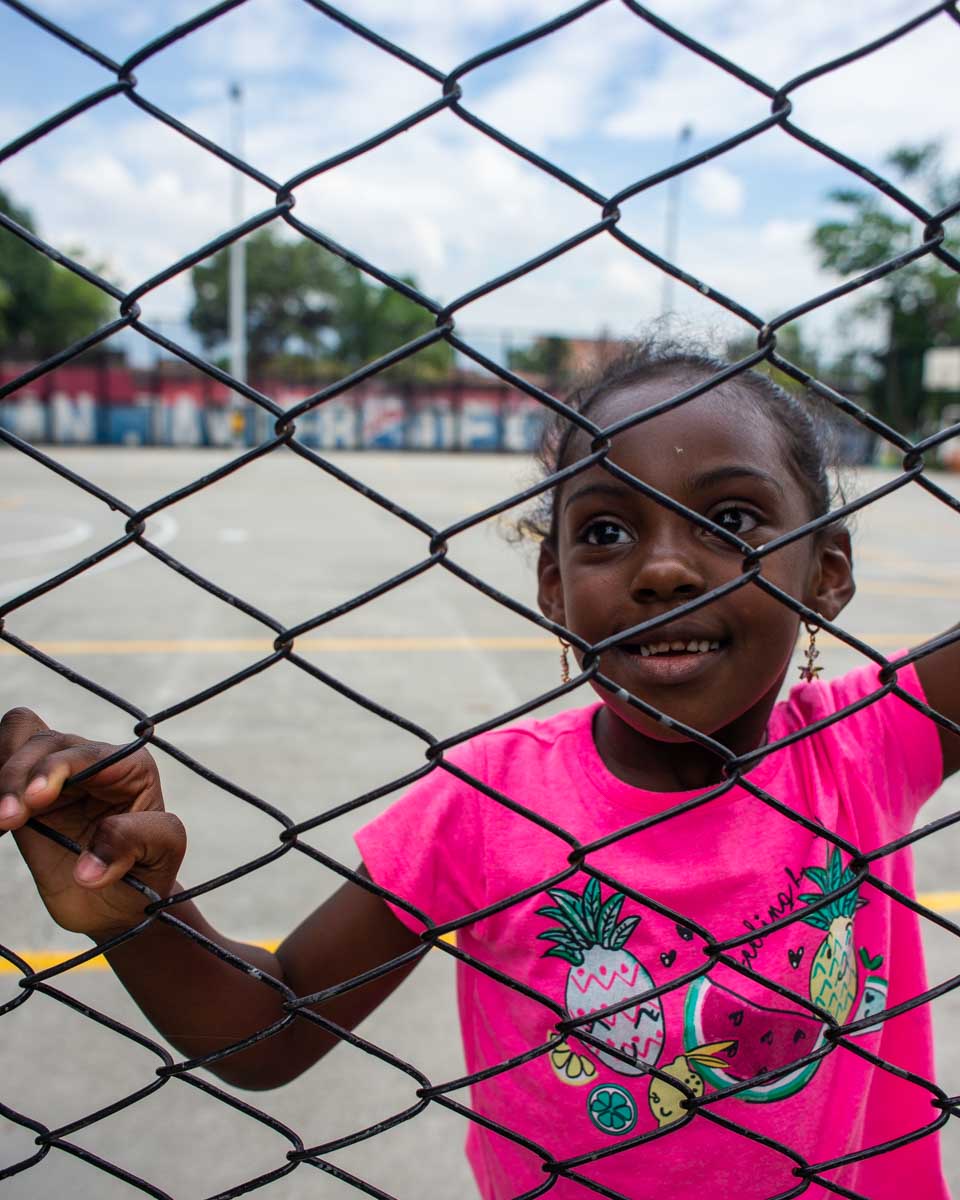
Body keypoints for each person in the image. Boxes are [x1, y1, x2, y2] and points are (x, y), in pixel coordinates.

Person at [2, 342, 957, 1200]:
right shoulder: (489, 804)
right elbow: (273, 1029)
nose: (664, 570)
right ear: (554, 587)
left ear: (827, 571)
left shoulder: (868, 741)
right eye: (607, 532)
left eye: (731, 519)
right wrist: (138, 912)